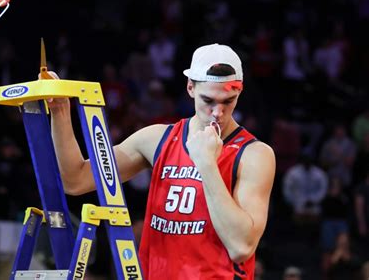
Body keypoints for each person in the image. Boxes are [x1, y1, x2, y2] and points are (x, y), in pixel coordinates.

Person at [44, 43, 275, 279]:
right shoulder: (157, 139)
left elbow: (241, 247)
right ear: (190, 88)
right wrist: (60, 112)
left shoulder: (254, 154)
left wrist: (206, 164)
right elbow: (75, 180)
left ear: (240, 92)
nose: (218, 112)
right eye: (208, 100)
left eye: (228, 101)